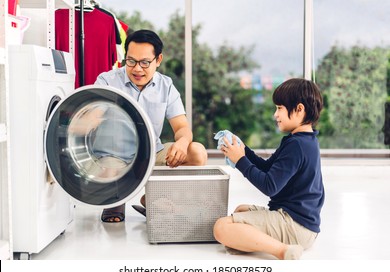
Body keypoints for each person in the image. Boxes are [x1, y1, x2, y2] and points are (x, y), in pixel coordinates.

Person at [95, 29, 207, 222]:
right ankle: (114, 200)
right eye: (131, 61)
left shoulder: (166, 85)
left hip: (151, 154)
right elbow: (92, 116)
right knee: (110, 179)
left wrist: (181, 143)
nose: (137, 69)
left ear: (158, 60)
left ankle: (154, 197)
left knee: (197, 151)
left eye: (145, 63)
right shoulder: (107, 81)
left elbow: (182, 127)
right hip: (113, 157)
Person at [213, 78, 324, 260]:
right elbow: (267, 168)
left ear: (299, 109)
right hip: (302, 225)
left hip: (295, 226)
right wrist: (243, 150)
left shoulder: (297, 145)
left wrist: (240, 160)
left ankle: (283, 251)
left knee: (221, 227)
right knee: (241, 210)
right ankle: (264, 243)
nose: (275, 114)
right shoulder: (303, 141)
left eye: (279, 108)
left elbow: (269, 185)